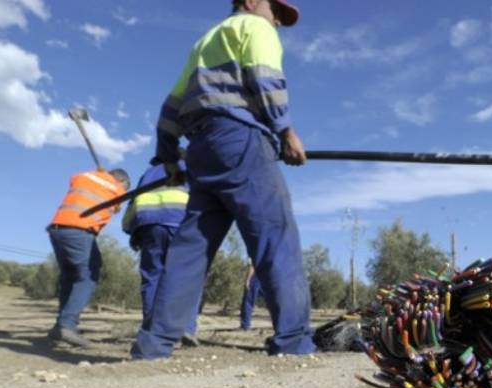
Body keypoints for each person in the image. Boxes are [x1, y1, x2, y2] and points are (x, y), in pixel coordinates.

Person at [131, 0, 315, 359]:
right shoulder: (253, 27)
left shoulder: (204, 43)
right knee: (276, 238)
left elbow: (171, 106)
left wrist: (167, 154)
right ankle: (293, 342)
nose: (276, 20)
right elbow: (264, 75)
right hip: (242, 141)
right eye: (275, 10)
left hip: (202, 148)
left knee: (190, 249)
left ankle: (153, 344)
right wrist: (285, 131)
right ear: (249, 1)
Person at [121, 158, 200, 347]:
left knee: (152, 277)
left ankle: (152, 329)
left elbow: (133, 203)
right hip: (179, 220)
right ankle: (185, 328)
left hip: (149, 225)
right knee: (188, 277)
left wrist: (132, 231)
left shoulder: (147, 174)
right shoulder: (189, 167)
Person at [47, 168, 130, 347]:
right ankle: (67, 326)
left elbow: (74, 178)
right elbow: (117, 205)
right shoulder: (116, 189)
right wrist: (117, 191)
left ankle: (60, 329)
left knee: (70, 277)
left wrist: (100, 174)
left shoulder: (85, 177)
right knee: (89, 276)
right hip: (78, 231)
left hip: (58, 229)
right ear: (121, 182)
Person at [239, 265, 263, 330]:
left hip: (256, 277)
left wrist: (248, 279)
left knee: (248, 302)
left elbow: (252, 265)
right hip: (270, 275)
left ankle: (245, 326)